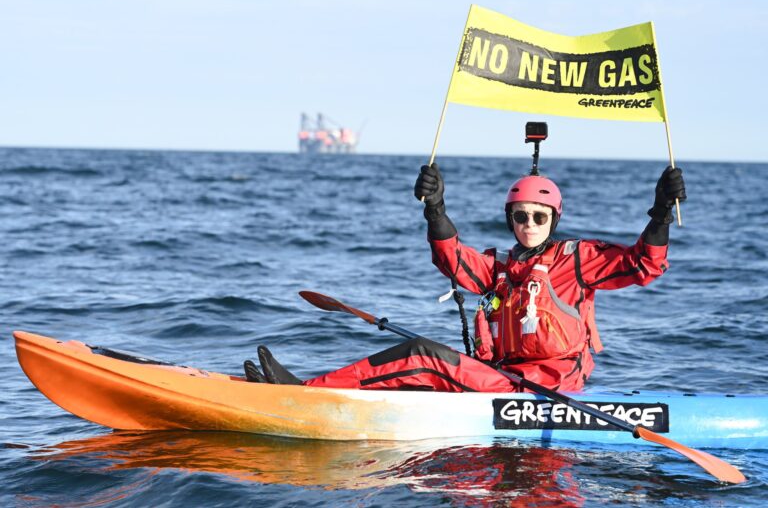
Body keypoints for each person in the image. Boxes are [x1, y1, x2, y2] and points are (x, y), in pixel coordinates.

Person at [245, 163, 686, 392]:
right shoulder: (499, 268)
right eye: (520, 216)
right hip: (503, 378)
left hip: (549, 389)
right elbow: (453, 260)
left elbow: (643, 265)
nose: (529, 222)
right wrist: (435, 209)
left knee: (423, 355)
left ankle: (307, 392)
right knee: (425, 364)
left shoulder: (577, 260)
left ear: (554, 218)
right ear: (510, 219)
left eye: (538, 215)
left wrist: (661, 212)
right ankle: (326, 391)